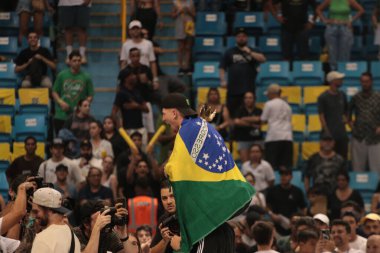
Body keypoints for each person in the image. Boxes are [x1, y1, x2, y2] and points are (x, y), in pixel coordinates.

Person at [161, 93, 254, 252]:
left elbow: (172, 169)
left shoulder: (186, 131)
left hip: (209, 225)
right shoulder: (200, 125)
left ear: (174, 113)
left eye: (164, 113)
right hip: (223, 214)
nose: (163, 119)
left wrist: (165, 169)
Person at [220, 28, 266, 118]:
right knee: (232, 114)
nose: (241, 38)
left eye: (243, 36)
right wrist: (222, 80)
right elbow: (222, 68)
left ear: (247, 38)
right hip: (233, 90)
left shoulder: (253, 50)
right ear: (236, 38)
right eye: (239, 36)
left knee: (248, 114)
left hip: (248, 90)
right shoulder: (229, 52)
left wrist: (249, 52)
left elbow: (263, 59)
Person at [52, 51, 94, 134]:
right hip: (61, 115)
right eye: (74, 60)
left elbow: (90, 95)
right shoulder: (61, 75)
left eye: (79, 60)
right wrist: (61, 102)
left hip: (78, 117)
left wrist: (82, 107)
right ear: (70, 61)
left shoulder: (86, 77)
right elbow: (54, 92)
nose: (77, 63)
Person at [316, 0, 364, 70]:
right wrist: (325, 20)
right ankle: (334, 73)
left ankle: (343, 72)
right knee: (332, 53)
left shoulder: (349, 0)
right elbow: (318, 9)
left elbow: (361, 10)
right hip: (332, 27)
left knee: (344, 53)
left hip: (345, 27)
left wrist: (351, 20)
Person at [31, 187, 81, 252]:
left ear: (48, 210)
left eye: (36, 211)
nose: (34, 216)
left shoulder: (43, 238)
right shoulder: (72, 235)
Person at [349, 72, 380, 173]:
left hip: (375, 138)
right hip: (359, 137)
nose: (364, 84)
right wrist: (351, 125)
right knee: (357, 169)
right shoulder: (355, 97)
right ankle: (358, 188)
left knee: (376, 170)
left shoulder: (378, 96)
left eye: (366, 81)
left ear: (371, 82)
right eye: (362, 82)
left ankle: (377, 189)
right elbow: (347, 112)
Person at [112, 68, 149, 146]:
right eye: (131, 75)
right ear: (126, 78)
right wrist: (120, 128)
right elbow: (114, 112)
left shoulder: (137, 91)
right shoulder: (121, 93)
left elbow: (146, 109)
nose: (134, 76)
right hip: (128, 129)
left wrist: (136, 106)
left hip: (140, 127)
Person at [261, 84, 293, 169]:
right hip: (287, 137)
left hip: (273, 137)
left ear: (272, 93)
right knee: (285, 166)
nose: (267, 96)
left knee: (271, 166)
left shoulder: (269, 104)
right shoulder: (287, 106)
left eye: (268, 94)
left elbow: (263, 120)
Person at [266, 167, 306, 235]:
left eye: (286, 175)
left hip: (292, 226)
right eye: (282, 175)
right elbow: (267, 205)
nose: (283, 177)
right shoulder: (272, 190)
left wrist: (298, 219)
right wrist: (271, 214)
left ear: (291, 177)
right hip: (276, 224)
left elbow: (303, 208)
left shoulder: (297, 191)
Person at [318, 71, 349, 159]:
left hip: (342, 134)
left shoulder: (342, 95)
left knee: (342, 159)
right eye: (339, 79)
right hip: (329, 134)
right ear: (332, 81)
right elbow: (321, 115)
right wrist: (326, 132)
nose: (341, 80)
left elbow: (346, 110)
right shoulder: (323, 97)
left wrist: (346, 118)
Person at [120, 20, 159, 89]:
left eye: (137, 29)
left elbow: (152, 62)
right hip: (131, 76)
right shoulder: (125, 45)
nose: (135, 31)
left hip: (145, 74)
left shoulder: (148, 44)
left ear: (140, 30)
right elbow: (124, 62)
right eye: (133, 29)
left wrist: (155, 79)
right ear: (129, 31)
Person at [234, 91, 263, 162]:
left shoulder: (259, 110)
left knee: (260, 163)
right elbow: (237, 121)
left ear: (254, 99)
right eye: (246, 98)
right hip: (244, 139)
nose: (248, 100)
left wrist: (244, 119)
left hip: (258, 139)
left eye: (250, 98)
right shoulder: (240, 110)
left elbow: (259, 119)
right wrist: (252, 124)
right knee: (245, 165)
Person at [172, 0, 195, 75]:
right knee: (181, 47)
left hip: (189, 25)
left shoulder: (190, 2)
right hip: (180, 25)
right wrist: (179, 11)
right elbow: (173, 16)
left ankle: (187, 66)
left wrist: (189, 11)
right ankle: (181, 67)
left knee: (188, 47)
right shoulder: (175, 2)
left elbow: (194, 15)